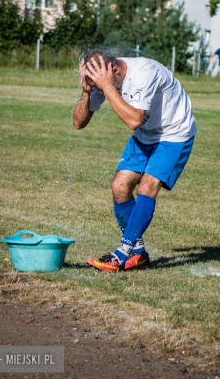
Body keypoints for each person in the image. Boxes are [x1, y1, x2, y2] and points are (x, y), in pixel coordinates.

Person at [72, 50, 197, 273]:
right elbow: (79, 123)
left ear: (115, 70)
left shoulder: (143, 73)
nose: (101, 92)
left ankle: (121, 254)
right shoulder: (106, 80)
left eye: (101, 86)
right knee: (119, 186)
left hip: (174, 133)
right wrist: (86, 92)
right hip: (145, 135)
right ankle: (138, 254)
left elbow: (134, 120)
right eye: (98, 87)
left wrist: (107, 87)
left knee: (147, 186)